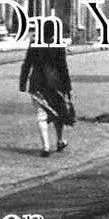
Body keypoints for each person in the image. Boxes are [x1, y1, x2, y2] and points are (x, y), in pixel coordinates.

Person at [19, 20, 74, 157]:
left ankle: (46, 147)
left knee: (41, 115)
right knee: (58, 113)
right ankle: (60, 141)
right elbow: (63, 68)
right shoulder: (58, 45)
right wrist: (68, 88)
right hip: (55, 84)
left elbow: (27, 64)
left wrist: (22, 82)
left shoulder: (34, 44)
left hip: (37, 83)